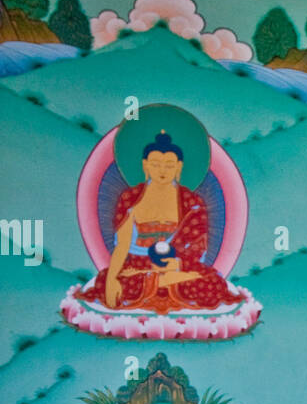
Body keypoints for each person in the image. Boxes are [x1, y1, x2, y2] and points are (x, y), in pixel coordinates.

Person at [77, 130, 234, 313]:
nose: (162, 170)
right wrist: (112, 279)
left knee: (212, 283)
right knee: (107, 281)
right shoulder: (131, 199)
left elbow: (197, 248)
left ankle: (158, 281)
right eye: (156, 164)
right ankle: (159, 281)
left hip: (175, 267)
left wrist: (175, 266)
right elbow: (122, 246)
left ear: (179, 167)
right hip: (139, 266)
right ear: (145, 166)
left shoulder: (191, 202)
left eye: (169, 165)